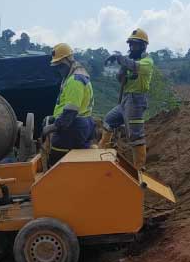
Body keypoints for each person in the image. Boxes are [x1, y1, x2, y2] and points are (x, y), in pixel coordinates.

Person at [98, 28, 153, 170]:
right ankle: (102, 153)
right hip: (126, 99)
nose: (132, 47)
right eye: (130, 44)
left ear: (143, 46)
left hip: (136, 101)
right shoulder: (129, 62)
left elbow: (135, 66)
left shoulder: (147, 61)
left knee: (135, 135)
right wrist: (121, 71)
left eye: (135, 44)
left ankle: (139, 168)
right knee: (109, 120)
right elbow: (120, 78)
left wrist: (119, 58)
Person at [43, 43, 95, 166]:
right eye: (57, 67)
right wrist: (54, 117)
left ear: (68, 60)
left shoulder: (74, 81)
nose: (59, 70)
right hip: (82, 125)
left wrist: (52, 127)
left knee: (57, 164)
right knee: (78, 164)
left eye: (61, 66)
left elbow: (70, 112)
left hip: (72, 129)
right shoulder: (77, 76)